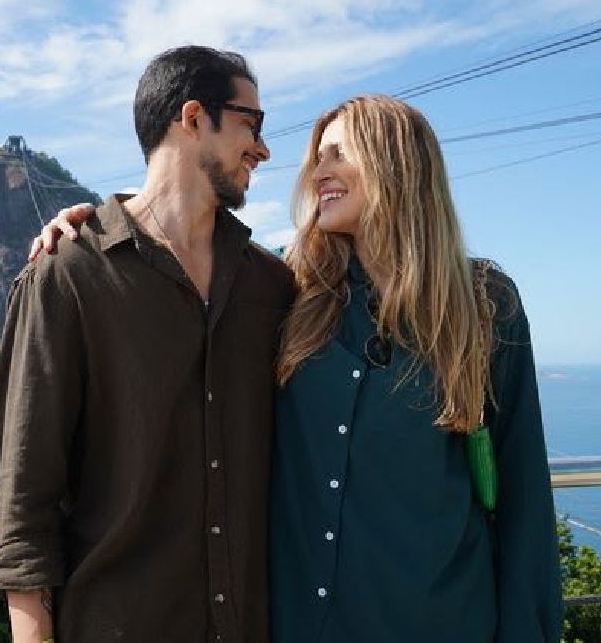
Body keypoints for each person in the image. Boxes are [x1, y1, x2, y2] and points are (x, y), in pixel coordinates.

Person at [32, 94, 563, 642]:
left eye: (336, 155)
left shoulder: (483, 301)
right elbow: (169, 260)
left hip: (441, 621)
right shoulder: (291, 286)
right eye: (316, 158)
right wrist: (91, 232)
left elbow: (524, 494)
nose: (317, 173)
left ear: (397, 161)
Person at [0, 45, 296, 643]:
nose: (262, 147)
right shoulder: (69, 273)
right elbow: (25, 499)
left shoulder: (272, 285)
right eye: (250, 124)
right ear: (191, 117)